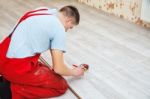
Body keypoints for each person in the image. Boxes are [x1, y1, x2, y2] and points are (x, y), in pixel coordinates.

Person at [0, 5, 85, 99]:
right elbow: (58, 69)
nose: (67, 30)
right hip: (15, 67)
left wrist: (63, 67)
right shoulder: (59, 28)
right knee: (61, 86)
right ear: (69, 20)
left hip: (2, 57)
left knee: (46, 69)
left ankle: (7, 78)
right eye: (70, 27)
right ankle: (7, 90)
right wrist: (74, 72)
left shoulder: (44, 10)